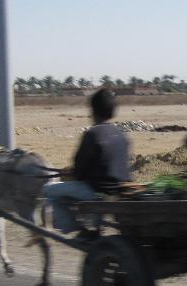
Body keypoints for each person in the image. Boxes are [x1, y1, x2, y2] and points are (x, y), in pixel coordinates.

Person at [43, 88, 130, 237]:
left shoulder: (92, 134)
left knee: (49, 191)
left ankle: (77, 230)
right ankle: (96, 227)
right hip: (118, 190)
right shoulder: (121, 134)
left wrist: (70, 172)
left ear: (93, 111)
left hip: (97, 191)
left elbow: (79, 171)